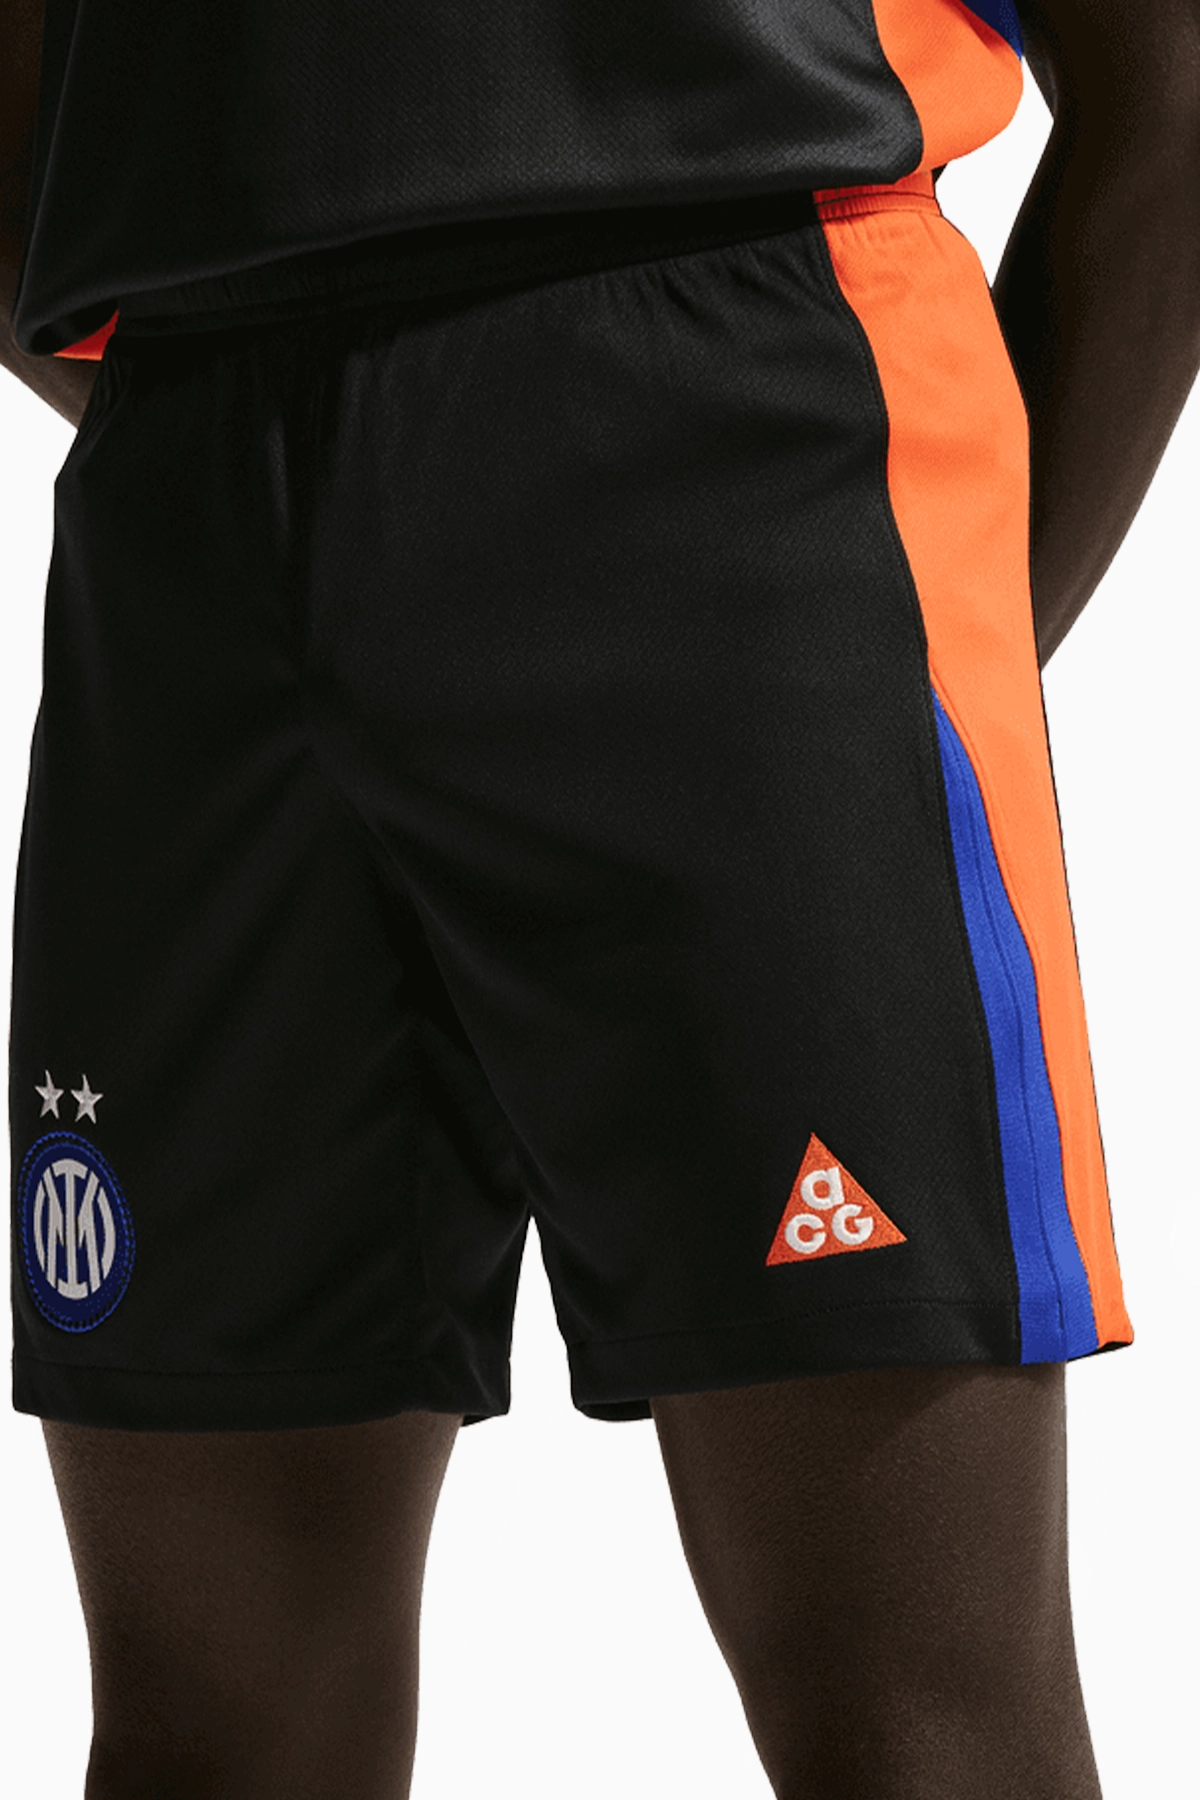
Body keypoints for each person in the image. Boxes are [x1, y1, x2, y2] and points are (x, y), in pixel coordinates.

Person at [2, 1, 1196, 1796]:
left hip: (743, 397)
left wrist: (904, 684)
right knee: (208, 1741)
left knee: (915, 1729)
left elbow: (1170, 96)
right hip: (191, 490)